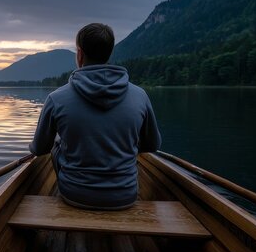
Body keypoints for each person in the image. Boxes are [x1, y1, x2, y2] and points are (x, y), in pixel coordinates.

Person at [29, 23, 161, 210]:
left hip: (74, 195)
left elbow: (39, 148)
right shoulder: (140, 96)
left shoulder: (56, 98)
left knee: (56, 144)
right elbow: (152, 145)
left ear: (80, 54)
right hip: (125, 196)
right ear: (109, 53)